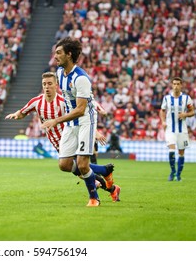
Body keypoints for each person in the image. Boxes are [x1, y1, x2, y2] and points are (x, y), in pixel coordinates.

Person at [6, 71, 120, 204]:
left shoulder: (63, 101)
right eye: (44, 84)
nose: (47, 87)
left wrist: (94, 131)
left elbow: (84, 110)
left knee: (80, 168)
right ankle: (107, 177)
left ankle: (101, 189)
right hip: (57, 144)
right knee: (76, 167)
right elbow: (22, 112)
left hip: (72, 138)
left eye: (50, 84)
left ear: (56, 85)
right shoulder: (36, 102)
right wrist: (16, 115)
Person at [41, 37, 107, 207]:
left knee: (83, 164)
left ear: (69, 55)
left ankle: (94, 198)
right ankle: (104, 171)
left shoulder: (81, 78)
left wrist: (55, 121)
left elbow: (80, 109)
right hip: (72, 122)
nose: (55, 56)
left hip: (85, 120)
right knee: (64, 164)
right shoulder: (59, 74)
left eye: (58, 53)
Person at [160, 77, 195, 181]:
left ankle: (179, 175)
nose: (176, 86)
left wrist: (185, 114)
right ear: (172, 85)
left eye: (178, 84)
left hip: (182, 130)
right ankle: (172, 172)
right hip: (170, 129)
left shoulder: (186, 98)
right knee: (171, 150)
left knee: (181, 153)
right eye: (174, 84)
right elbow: (162, 110)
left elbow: (192, 112)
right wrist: (163, 121)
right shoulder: (166, 98)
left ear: (181, 85)